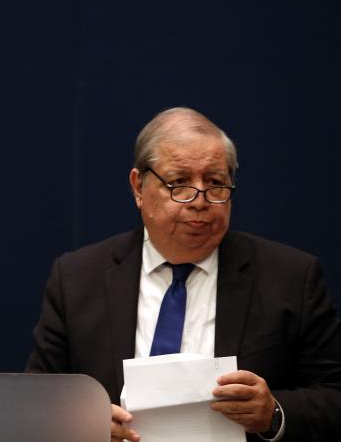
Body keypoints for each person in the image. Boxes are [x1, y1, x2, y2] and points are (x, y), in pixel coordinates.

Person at [26, 107, 341, 442]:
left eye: (215, 183)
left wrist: (274, 413)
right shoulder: (77, 278)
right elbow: (37, 401)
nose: (199, 201)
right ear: (138, 187)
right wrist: (83, 424)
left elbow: (334, 397)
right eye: (179, 183)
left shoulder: (290, 278)